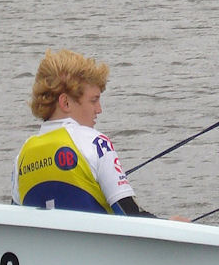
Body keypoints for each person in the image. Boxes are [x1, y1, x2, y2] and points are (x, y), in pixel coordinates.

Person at [12, 49, 185, 220]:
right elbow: (129, 214)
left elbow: (15, 221)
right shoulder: (95, 142)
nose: (99, 109)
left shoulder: (22, 156)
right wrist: (173, 226)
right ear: (65, 102)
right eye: (93, 100)